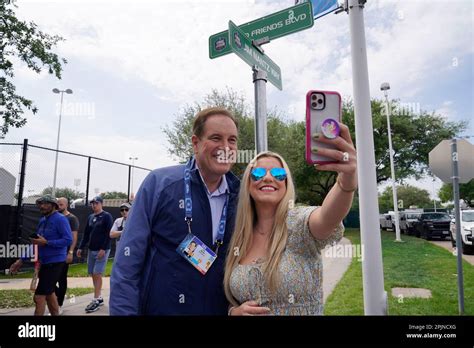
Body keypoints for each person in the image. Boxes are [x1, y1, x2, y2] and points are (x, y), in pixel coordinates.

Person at [110, 107, 240, 315]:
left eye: (232, 140)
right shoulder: (160, 184)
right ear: (195, 143)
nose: (225, 147)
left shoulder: (243, 197)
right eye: (216, 138)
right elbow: (127, 264)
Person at [224, 124, 357, 316]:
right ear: (248, 183)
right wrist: (233, 312)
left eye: (278, 174)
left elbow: (328, 216)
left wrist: (346, 181)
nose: (268, 178)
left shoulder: (299, 223)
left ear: (286, 184)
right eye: (259, 173)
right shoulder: (238, 235)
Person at [9, 195, 72, 316]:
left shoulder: (60, 219)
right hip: (45, 262)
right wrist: (21, 260)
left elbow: (68, 240)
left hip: (55, 262)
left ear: (54, 206)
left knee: (38, 297)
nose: (42, 206)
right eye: (40, 203)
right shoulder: (42, 220)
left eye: (46, 203)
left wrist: (47, 242)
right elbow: (35, 242)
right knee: (49, 293)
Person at [77, 196, 113, 313]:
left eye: (96, 203)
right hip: (91, 250)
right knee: (93, 273)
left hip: (102, 250)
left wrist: (103, 248)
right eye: (92, 203)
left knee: (97, 273)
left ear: (101, 204)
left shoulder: (107, 216)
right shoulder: (91, 217)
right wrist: (80, 247)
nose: (94, 205)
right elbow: (86, 234)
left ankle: (96, 299)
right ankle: (99, 297)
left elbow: (109, 234)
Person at [55, 197, 79, 315]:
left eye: (61, 204)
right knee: (49, 279)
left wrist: (70, 252)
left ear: (66, 205)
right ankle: (54, 301)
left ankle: (59, 304)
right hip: (53, 252)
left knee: (61, 278)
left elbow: (74, 237)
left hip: (64, 252)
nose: (58, 206)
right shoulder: (53, 217)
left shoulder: (72, 219)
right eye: (57, 204)